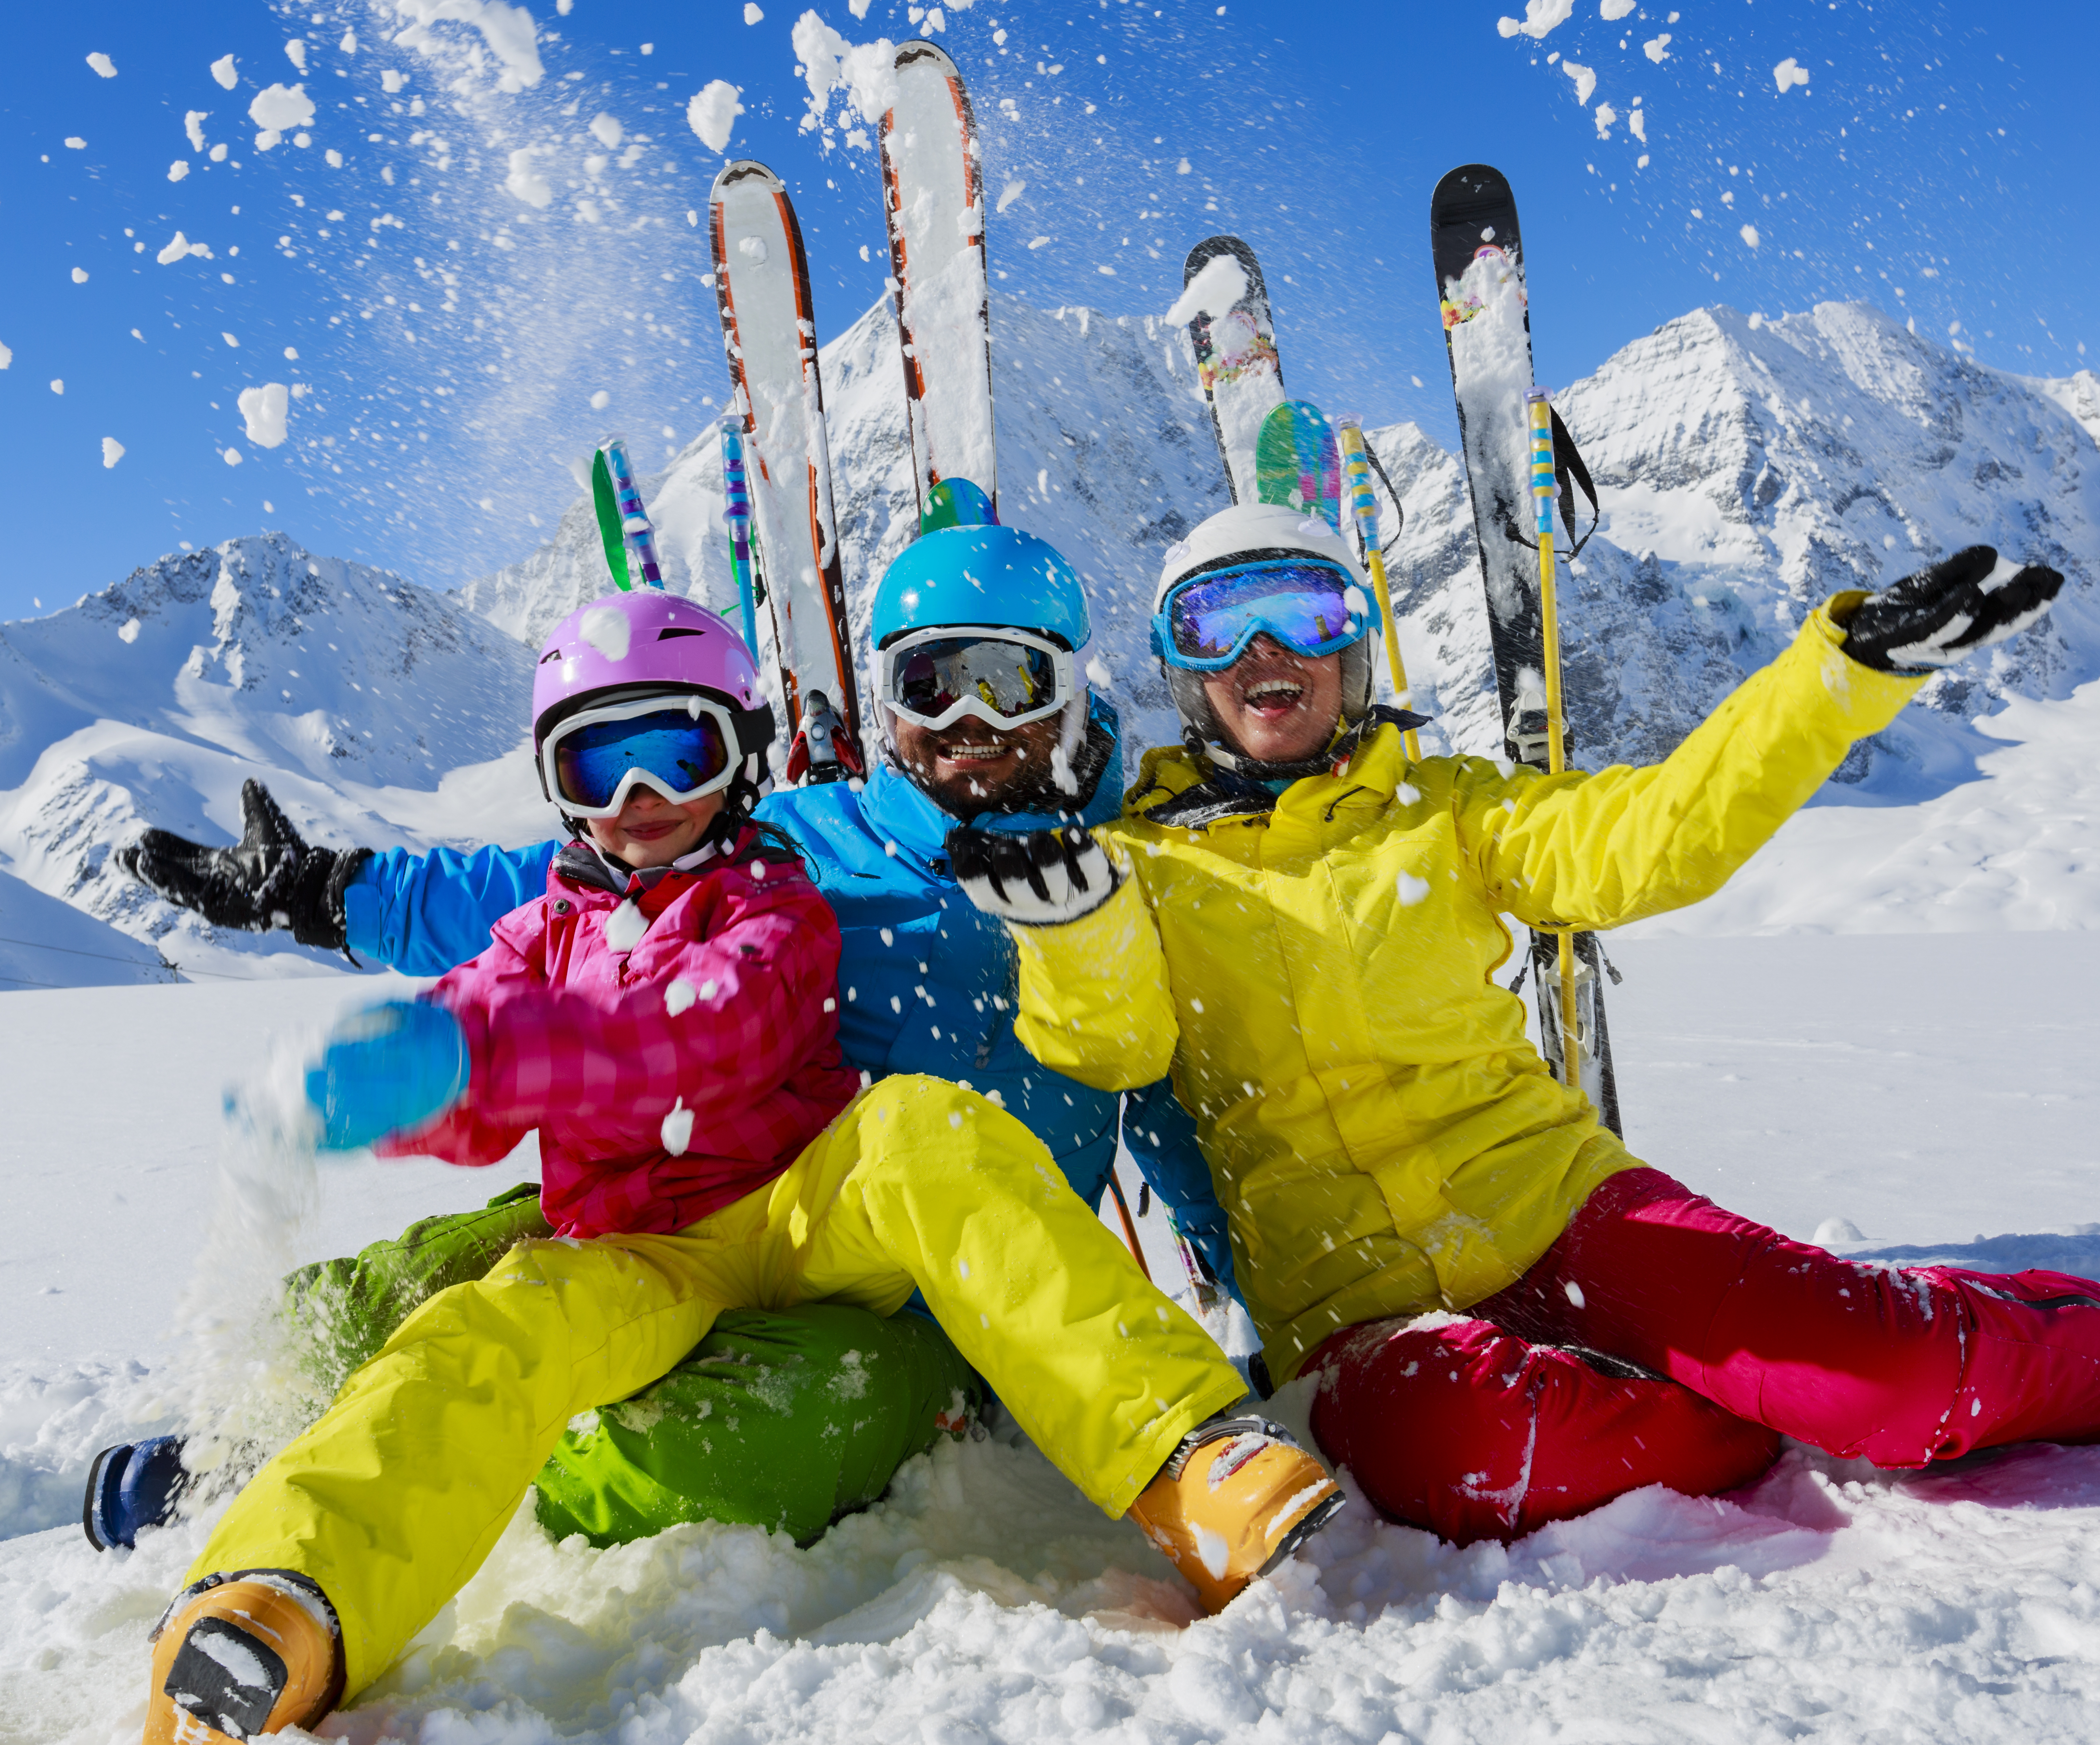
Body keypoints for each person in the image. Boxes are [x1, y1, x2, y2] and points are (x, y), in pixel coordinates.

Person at [946, 512, 2100, 1549]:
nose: (1273, 649)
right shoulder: (1133, 866)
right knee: (1465, 1466)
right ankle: (1781, 1380)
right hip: (1365, 1312)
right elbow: (1115, 1050)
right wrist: (1069, 934)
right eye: (1223, 620)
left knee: (1895, 1385)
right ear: (1179, 666)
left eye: (1312, 613)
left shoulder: (1447, 813)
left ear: (1357, 644)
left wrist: (1831, 680)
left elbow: (1656, 840)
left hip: (1569, 1215)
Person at [138, 587, 1340, 1742]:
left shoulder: (777, 896)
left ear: (743, 759)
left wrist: (485, 1062)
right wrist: (411, 1059)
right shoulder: (543, 929)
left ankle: (1188, 1460)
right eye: (597, 768)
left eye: (678, 753)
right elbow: (482, 997)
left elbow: (705, 1032)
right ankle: (278, 1605)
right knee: (480, 1329)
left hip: (805, 1213)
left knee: (927, 1126)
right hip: (635, 1254)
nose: (643, 797)